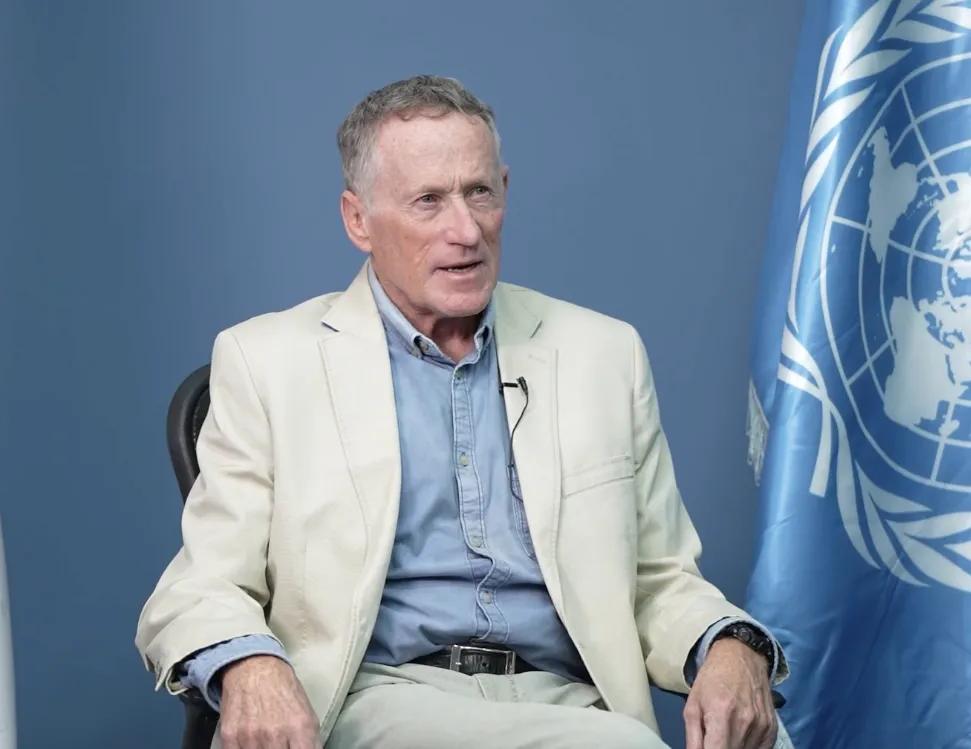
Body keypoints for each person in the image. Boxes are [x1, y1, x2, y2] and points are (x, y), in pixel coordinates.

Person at [136, 75, 788, 749]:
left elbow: (659, 580)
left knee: (765, 735)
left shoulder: (603, 353)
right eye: (428, 201)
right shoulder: (269, 362)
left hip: (573, 700)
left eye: (479, 192)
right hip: (380, 698)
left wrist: (729, 644)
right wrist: (250, 663)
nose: (467, 230)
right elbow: (200, 587)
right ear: (358, 219)